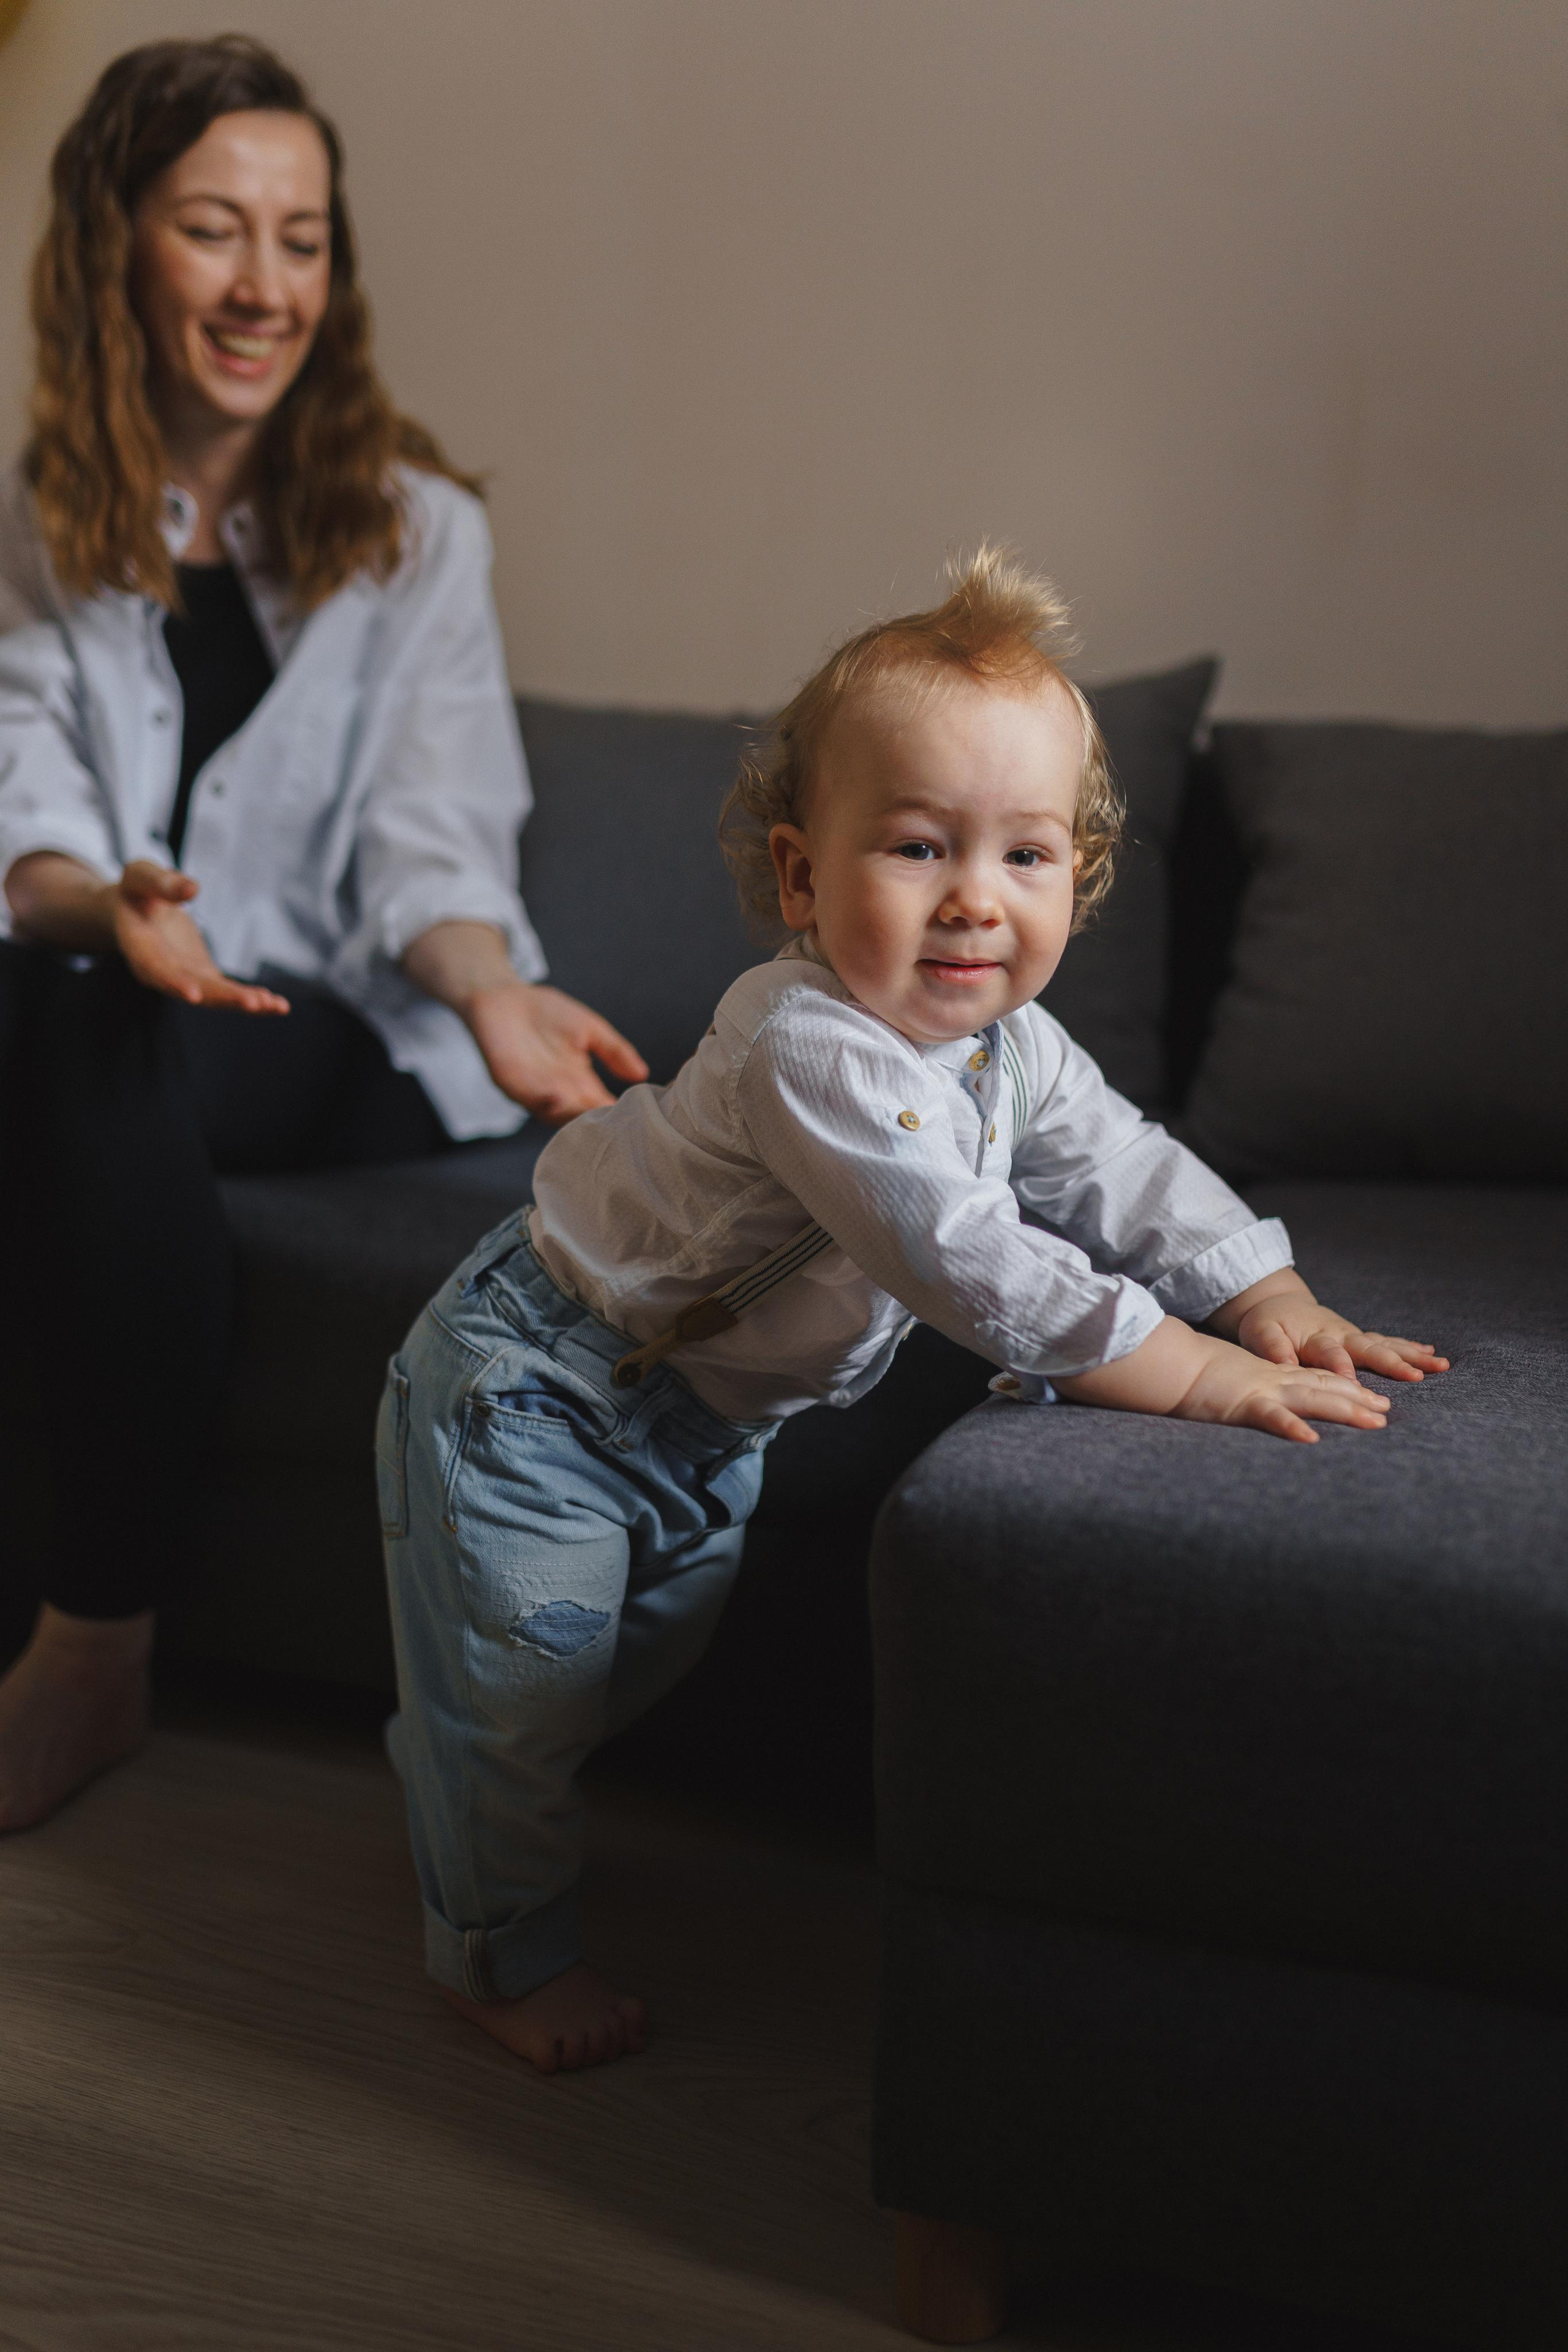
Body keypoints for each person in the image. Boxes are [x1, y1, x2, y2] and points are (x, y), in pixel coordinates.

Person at [377, 550, 1448, 2074]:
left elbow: (1124, 1166)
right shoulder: (806, 1044)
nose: (973, 902)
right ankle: (493, 1948)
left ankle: (461, 1765)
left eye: (1025, 856)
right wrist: (1193, 1375)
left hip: (698, 1422)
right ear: (804, 876)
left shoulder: (1014, 1050)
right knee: (532, 1684)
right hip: (541, 1386)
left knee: (621, 1666)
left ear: (1073, 877)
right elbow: (967, 1258)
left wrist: (1257, 1288)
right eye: (917, 847)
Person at [0, 37, 647, 1833]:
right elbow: (24, 821)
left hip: (332, 1022)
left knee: (81, 1029)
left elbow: (429, 847)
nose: (266, 284)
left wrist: (496, 988)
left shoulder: (416, 536)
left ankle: (94, 1651)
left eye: (303, 238)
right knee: (64, 1001)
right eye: (216, 229)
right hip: (95, 986)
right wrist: (104, 910)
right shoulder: (40, 521)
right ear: (116, 248)